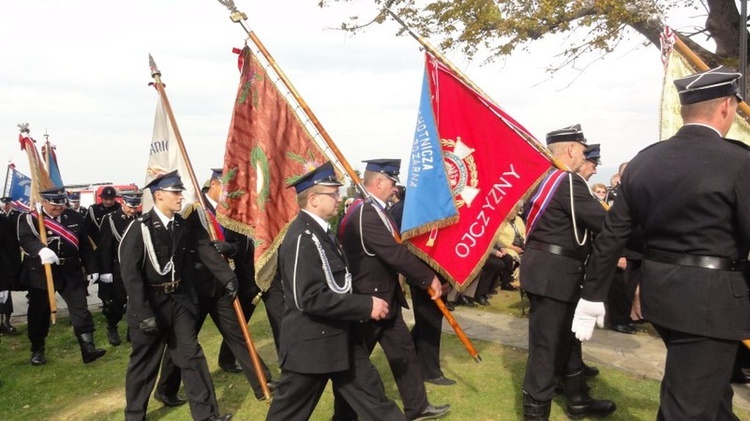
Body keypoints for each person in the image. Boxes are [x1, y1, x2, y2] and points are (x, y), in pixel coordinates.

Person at [573, 66, 750, 420]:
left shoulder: (645, 160)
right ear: (727, 107)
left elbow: (612, 235)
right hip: (711, 302)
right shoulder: (739, 161)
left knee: (710, 392)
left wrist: (592, 295)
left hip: (661, 295)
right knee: (687, 405)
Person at [266, 161, 405, 421]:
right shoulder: (301, 237)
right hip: (311, 345)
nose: (340, 198)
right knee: (288, 414)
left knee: (376, 402)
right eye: (334, 194)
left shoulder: (321, 233)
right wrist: (365, 305)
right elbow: (308, 297)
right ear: (314, 199)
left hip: (342, 338)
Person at [335, 159, 450, 421]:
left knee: (404, 351)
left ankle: (417, 407)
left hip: (386, 298)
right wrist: (427, 277)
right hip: (369, 301)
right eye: (391, 181)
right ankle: (343, 416)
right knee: (356, 363)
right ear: (378, 182)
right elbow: (394, 254)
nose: (394, 186)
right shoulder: (366, 213)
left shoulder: (375, 209)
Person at [119, 171, 234, 421]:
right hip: (150, 302)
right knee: (145, 362)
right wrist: (142, 312)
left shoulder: (183, 225)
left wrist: (228, 278)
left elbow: (205, 249)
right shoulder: (141, 228)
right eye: (175, 192)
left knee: (191, 356)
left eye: (180, 191)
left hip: (179, 301)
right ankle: (134, 416)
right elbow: (130, 274)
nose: (181, 196)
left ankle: (206, 414)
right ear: (159, 195)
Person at [155, 168, 277, 403]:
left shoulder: (230, 213)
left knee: (238, 335)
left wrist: (229, 249)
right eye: (227, 187)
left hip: (221, 286)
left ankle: (263, 382)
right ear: (214, 184)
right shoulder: (194, 211)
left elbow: (242, 244)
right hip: (196, 288)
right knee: (183, 343)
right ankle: (166, 390)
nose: (230, 193)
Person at [520, 124, 615, 419]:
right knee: (546, 351)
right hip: (555, 275)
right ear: (572, 149)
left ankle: (578, 400)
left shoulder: (547, 179)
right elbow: (603, 223)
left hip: (554, 273)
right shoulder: (567, 182)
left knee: (569, 340)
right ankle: (536, 415)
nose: (584, 155)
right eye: (583, 150)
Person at [18, 187, 105, 366]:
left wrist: (91, 268)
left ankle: (88, 348)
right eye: (54, 204)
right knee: (39, 312)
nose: (59, 207)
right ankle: (37, 349)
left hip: (70, 270)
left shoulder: (73, 217)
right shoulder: (29, 218)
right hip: (42, 271)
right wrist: (41, 250)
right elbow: (25, 239)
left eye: (61, 203)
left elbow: (84, 246)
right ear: (43, 202)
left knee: (80, 308)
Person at [387, 187, 454, 386]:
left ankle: (410, 355)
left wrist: (446, 279)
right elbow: (406, 246)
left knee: (429, 322)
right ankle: (430, 371)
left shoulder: (432, 213)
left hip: (436, 276)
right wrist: (428, 278)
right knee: (429, 324)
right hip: (423, 277)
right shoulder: (412, 214)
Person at [96, 191, 143, 346]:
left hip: (135, 267)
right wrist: (105, 271)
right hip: (117, 267)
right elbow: (104, 247)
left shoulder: (140, 218)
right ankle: (112, 326)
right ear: (123, 203)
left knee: (136, 300)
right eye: (130, 207)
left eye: (136, 207)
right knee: (117, 302)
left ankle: (133, 328)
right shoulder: (111, 219)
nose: (133, 210)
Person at [0, 197, 22, 335]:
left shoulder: (4, 222)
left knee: (4, 295)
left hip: (2, 265)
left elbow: (11, 247)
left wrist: (15, 267)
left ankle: (5, 322)